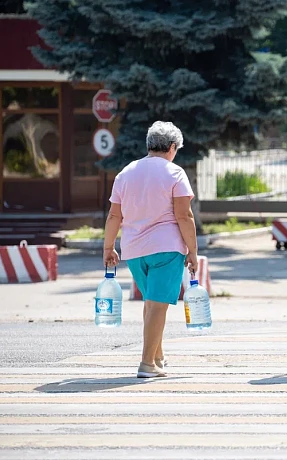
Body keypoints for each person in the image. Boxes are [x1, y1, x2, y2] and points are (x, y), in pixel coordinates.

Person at [102, 121, 198, 378]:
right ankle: (146, 364)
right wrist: (193, 251)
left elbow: (114, 215)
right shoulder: (175, 173)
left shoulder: (126, 173)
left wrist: (108, 247)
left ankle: (157, 356)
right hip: (166, 249)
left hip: (134, 251)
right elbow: (184, 216)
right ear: (172, 147)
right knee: (157, 305)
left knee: (151, 303)